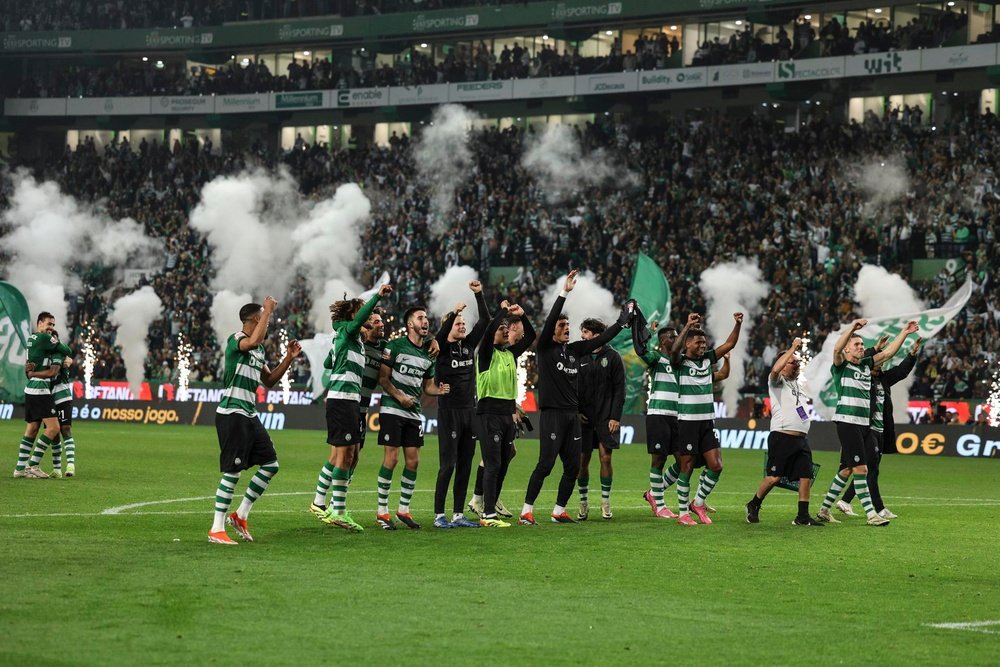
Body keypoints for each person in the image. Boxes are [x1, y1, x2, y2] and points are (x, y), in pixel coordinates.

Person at [520, 270, 628, 525]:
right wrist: (564, 293)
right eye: (562, 326)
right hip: (552, 416)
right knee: (545, 465)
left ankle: (559, 511)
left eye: (568, 325)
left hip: (572, 417)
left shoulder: (574, 351)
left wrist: (621, 323)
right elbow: (548, 324)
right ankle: (526, 510)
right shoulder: (546, 348)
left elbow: (601, 339)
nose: (566, 328)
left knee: (573, 467)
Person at [208, 297, 302, 545]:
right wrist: (268, 311)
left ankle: (240, 515)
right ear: (254, 320)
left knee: (271, 465)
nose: (268, 324)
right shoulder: (236, 339)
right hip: (231, 413)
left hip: (248, 414)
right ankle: (216, 529)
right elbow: (253, 340)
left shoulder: (258, 350)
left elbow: (269, 381)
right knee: (233, 471)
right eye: (264, 319)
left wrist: (289, 358)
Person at [815, 318, 919, 526]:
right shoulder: (840, 367)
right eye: (857, 345)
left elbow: (888, 354)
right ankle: (872, 514)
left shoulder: (866, 366)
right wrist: (852, 327)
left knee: (846, 470)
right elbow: (836, 349)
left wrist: (905, 333)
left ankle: (824, 509)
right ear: (847, 350)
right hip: (847, 422)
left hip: (865, 426)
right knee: (862, 469)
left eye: (862, 345)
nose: (861, 347)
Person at [309, 284, 391, 533]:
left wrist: (337, 349)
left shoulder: (350, 338)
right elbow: (355, 324)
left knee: (353, 454)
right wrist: (377, 295)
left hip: (351, 401)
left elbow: (327, 361)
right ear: (353, 317)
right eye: (363, 313)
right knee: (344, 455)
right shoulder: (347, 330)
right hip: (342, 399)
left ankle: (331, 506)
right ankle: (338, 510)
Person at [375, 305, 450, 530]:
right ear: (410, 324)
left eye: (426, 317)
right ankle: (382, 513)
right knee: (392, 459)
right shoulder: (394, 347)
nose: (425, 321)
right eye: (420, 318)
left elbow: (428, 386)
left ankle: (404, 510)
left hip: (414, 412)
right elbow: (383, 378)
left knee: (413, 461)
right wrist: (399, 397)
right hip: (392, 409)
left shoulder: (429, 353)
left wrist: (440, 390)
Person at [837, 336, 923, 519]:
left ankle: (844, 501)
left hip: (880, 430)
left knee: (865, 469)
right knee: (869, 470)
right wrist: (875, 349)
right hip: (865, 429)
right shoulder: (863, 378)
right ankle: (878, 509)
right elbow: (867, 357)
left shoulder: (883, 379)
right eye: (879, 361)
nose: (882, 364)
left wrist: (912, 354)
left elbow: (901, 372)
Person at [670, 312, 743, 526]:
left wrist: (738, 324)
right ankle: (683, 513)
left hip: (707, 423)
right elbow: (674, 349)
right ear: (688, 344)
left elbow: (729, 344)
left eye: (705, 342)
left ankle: (698, 503)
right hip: (687, 422)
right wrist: (686, 326)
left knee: (716, 465)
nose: (703, 345)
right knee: (687, 466)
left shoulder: (708, 360)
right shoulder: (680, 362)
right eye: (699, 342)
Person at [745, 338, 823, 526]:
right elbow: (774, 370)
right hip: (782, 436)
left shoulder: (798, 385)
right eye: (792, 361)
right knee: (774, 477)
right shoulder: (777, 383)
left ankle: (802, 516)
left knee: (806, 475)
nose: (796, 364)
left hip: (801, 439)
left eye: (797, 361)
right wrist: (793, 348)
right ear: (783, 365)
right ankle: (754, 504)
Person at [432, 280, 490, 529]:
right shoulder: (441, 348)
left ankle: (457, 514)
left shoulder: (468, 345)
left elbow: (485, 321)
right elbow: (438, 336)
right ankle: (438, 516)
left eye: (464, 322)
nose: (463, 325)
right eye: (459, 323)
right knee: (448, 465)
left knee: (465, 464)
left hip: (469, 411)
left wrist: (479, 295)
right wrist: (453, 313)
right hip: (449, 412)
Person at [474, 301, 536, 527]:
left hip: (506, 414)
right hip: (488, 413)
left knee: (500, 462)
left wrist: (522, 315)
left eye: (505, 328)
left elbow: (531, 336)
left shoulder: (509, 354)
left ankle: (489, 509)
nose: (503, 330)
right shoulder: (486, 354)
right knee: (492, 463)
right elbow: (490, 329)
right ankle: (487, 514)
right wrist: (503, 313)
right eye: (500, 328)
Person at [576, 318, 625, 520]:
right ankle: (583, 503)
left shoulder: (613, 357)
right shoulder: (581, 355)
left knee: (605, 458)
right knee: (582, 461)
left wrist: (615, 416)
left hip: (606, 418)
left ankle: (605, 502)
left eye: (586, 332)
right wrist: (576, 411)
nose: (582, 336)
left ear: (597, 335)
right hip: (584, 419)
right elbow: (573, 386)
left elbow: (620, 389)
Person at [13, 312, 72, 480]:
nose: (51, 328)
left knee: (32, 429)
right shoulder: (46, 340)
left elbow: (29, 370)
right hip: (40, 389)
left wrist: (31, 373)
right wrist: (62, 352)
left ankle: (19, 468)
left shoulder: (31, 340)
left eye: (53, 325)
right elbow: (67, 350)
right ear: (39, 323)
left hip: (31, 388)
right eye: (49, 324)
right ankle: (33, 465)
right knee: (54, 428)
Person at [635, 325, 682, 519]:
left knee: (685, 461)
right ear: (664, 341)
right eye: (673, 337)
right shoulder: (656, 358)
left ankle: (653, 493)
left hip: (679, 415)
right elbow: (641, 352)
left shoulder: (681, 361)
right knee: (659, 459)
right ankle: (661, 506)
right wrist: (647, 333)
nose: (677, 339)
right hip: (659, 413)